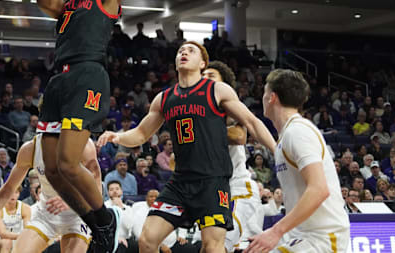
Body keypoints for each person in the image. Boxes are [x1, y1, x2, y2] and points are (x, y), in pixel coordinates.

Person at [98, 41, 276, 253]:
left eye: (191, 51)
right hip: (180, 183)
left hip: (212, 182)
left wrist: (277, 150)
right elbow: (141, 133)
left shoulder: (217, 90)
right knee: (147, 240)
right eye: (181, 50)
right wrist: (117, 137)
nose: (184, 52)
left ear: (202, 63)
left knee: (212, 247)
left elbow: (251, 122)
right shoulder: (164, 98)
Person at [34, 0, 131, 252]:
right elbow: (43, 0)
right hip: (59, 80)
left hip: (89, 75)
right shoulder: (69, 5)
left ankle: (105, 217)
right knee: (54, 170)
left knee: (72, 163)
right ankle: (97, 223)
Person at [245, 69, 350, 253]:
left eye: (264, 93)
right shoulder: (287, 135)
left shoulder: (297, 132)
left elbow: (319, 190)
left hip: (324, 238)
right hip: (303, 237)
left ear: (271, 97)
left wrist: (275, 231)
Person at [0, 133, 100, 253]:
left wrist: (73, 201)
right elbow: (9, 187)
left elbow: (96, 188)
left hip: (78, 214)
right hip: (46, 212)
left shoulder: (84, 145)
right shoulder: (31, 148)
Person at [203, 61, 265, 252]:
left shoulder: (229, 109)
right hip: (214, 193)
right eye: (202, 76)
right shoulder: (193, 115)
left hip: (237, 189)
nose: (204, 80)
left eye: (210, 76)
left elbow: (239, 137)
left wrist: (204, 130)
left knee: (219, 244)